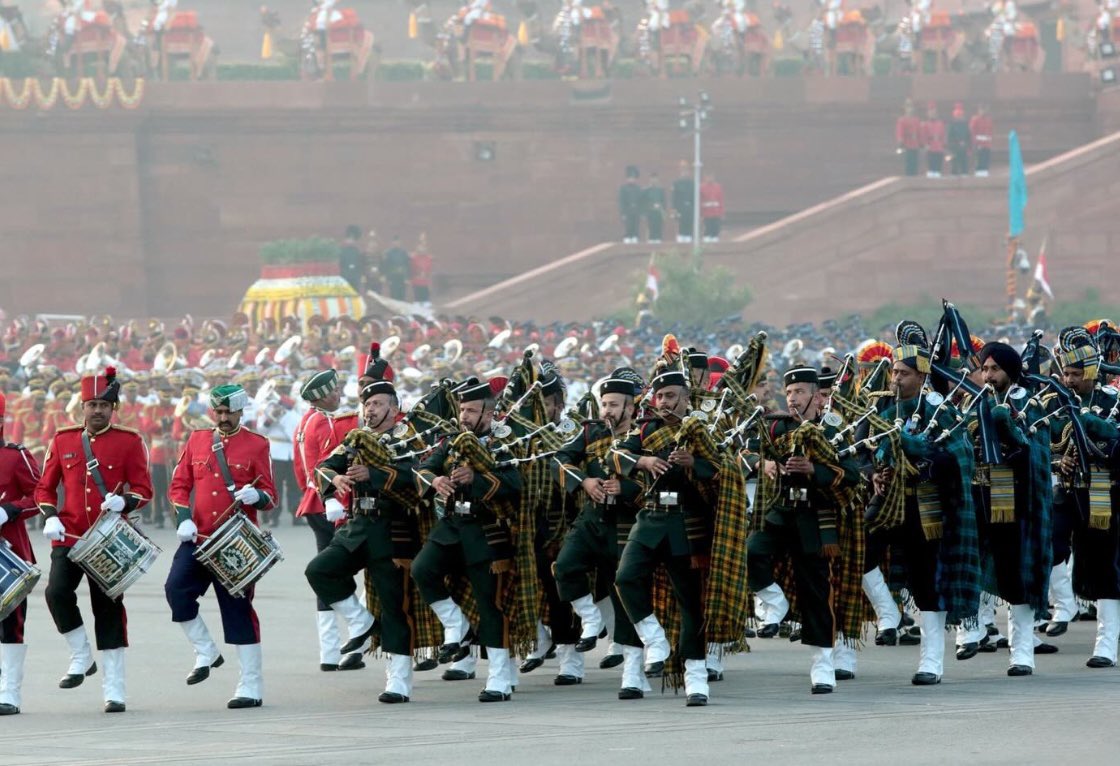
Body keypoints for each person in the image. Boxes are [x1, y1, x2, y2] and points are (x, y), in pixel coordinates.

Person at [863, 323, 981, 685]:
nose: (895, 378)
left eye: (903, 373)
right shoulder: (884, 409)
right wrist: (876, 472)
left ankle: (931, 663)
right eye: (894, 371)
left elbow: (960, 459)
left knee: (926, 582)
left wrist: (923, 452)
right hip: (890, 501)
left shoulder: (939, 410)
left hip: (927, 508)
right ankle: (888, 613)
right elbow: (865, 453)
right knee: (860, 548)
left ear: (921, 375)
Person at [35, 367, 153, 714]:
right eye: (92, 404)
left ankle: (114, 690)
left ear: (113, 408)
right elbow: (44, 486)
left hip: (108, 539)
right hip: (69, 534)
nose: (97, 410)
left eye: (104, 404)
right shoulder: (63, 440)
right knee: (56, 593)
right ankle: (80, 655)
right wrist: (50, 515)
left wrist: (125, 502)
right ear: (82, 407)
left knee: (108, 610)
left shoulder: (129, 441)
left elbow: (145, 490)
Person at [306, 375, 429, 703]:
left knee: (394, 606)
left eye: (377, 403)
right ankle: (361, 622)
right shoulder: (356, 437)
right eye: (367, 404)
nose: (370, 409)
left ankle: (398, 680)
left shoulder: (409, 436)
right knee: (319, 570)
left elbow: (418, 474)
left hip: (394, 529)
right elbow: (322, 468)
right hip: (359, 524)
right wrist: (338, 477)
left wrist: (373, 475)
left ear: (393, 406)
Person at [746, 367, 861, 694]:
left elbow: (851, 474)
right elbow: (746, 448)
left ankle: (823, 664)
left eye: (799, 391)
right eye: (790, 391)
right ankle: (775, 602)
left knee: (816, 592)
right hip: (782, 511)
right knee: (751, 552)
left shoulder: (833, 428)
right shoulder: (778, 425)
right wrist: (762, 463)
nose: (793, 397)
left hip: (816, 517)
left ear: (815, 394)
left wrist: (814, 469)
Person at [410, 379, 523, 702]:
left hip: (488, 530)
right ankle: (456, 624)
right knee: (422, 569)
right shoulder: (452, 440)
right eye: (461, 409)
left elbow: (515, 483)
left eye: (471, 410)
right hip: (451, 526)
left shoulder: (505, 440)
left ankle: (500, 678)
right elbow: (422, 470)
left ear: (489, 411)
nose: (464, 415)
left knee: (491, 605)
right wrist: (438, 480)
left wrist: (478, 478)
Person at [166, 384, 277, 709]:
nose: (224, 418)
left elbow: (271, 495)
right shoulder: (198, 439)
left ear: (242, 412)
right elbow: (179, 484)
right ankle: (205, 650)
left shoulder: (257, 444)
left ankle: (250, 685)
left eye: (230, 412)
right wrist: (183, 518)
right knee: (175, 590)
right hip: (198, 536)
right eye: (220, 412)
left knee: (238, 609)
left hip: (236, 542)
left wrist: (258, 496)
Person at [612, 368, 714, 706]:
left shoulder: (702, 429)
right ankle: (654, 638)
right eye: (660, 397)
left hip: (687, 525)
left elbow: (723, 469)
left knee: (690, 604)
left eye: (671, 396)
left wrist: (693, 463)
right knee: (625, 578)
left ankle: (696, 678)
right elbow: (614, 455)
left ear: (686, 399)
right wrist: (642, 460)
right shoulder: (646, 430)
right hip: (651, 519)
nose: (664, 402)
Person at [554, 368, 654, 698]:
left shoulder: (646, 435)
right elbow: (560, 460)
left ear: (631, 406)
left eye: (614, 404)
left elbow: (657, 481)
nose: (607, 411)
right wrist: (584, 481)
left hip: (629, 524)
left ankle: (632, 673)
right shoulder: (590, 432)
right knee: (565, 566)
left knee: (626, 598)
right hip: (591, 519)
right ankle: (590, 618)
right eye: (604, 403)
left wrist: (624, 487)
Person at [969, 342, 1052, 676]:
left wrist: (1013, 433)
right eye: (984, 369)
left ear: (1010, 371)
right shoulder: (973, 402)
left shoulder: (1032, 403)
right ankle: (970, 632)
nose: (988, 375)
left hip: (1017, 503)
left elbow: (1041, 453)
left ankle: (1022, 653)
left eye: (995, 369)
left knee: (1016, 577)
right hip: (980, 496)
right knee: (970, 563)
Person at [1051, 328, 1120, 668]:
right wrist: (1057, 460)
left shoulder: (1112, 401)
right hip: (1067, 491)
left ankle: (1105, 645)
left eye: (1075, 374)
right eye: (1065, 373)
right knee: (1049, 544)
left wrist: (1102, 434)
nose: (1068, 379)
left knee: (1107, 568)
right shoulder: (1056, 404)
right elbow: (1040, 443)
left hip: (1105, 495)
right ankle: (1063, 605)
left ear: (1091, 373)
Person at [293, 368, 363, 672]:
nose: (339, 395)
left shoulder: (306, 421)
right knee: (340, 570)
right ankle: (359, 636)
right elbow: (321, 468)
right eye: (334, 392)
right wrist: (331, 498)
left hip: (314, 503)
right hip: (330, 504)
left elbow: (301, 472)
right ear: (322, 397)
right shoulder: (323, 423)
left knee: (328, 570)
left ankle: (331, 651)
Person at [0, 391, 42, 716]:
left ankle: (10, 694)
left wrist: (10, 509)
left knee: (11, 625)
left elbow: (41, 495)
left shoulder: (16, 456)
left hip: (10, 558)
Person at [671, 160, 695, 244]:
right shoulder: (676, 183)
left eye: (686, 169)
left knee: (688, 227)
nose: (685, 172)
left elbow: (694, 198)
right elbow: (674, 198)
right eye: (683, 169)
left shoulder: (692, 183)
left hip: (690, 208)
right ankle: (680, 242)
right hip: (680, 208)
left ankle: (689, 241)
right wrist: (674, 210)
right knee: (681, 227)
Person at [338, 225, 366, 295]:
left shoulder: (357, 251)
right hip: (345, 276)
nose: (351, 241)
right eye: (349, 239)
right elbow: (341, 264)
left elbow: (360, 264)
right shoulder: (342, 251)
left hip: (355, 277)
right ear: (346, 240)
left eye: (352, 239)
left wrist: (359, 275)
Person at [382, 236, 412, 302]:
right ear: (392, 243)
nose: (396, 244)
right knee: (393, 295)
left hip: (402, 277)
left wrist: (407, 278)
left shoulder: (404, 253)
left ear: (400, 243)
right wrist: (388, 278)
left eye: (398, 242)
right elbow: (386, 266)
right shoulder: (389, 253)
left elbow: (407, 265)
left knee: (402, 295)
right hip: (393, 277)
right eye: (395, 242)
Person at [619, 165, 643, 244]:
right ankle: (627, 240)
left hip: (636, 211)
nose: (632, 179)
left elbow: (641, 201)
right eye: (630, 177)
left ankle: (635, 239)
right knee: (628, 227)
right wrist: (623, 213)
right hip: (627, 211)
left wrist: (641, 212)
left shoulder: (638, 189)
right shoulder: (623, 189)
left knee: (635, 227)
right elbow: (621, 202)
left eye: (633, 178)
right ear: (627, 178)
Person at [921, 102, 946, 178]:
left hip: (939, 147)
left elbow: (943, 135)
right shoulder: (925, 124)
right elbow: (923, 136)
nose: (932, 114)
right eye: (931, 112)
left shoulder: (940, 123)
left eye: (934, 112)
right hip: (930, 147)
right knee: (931, 167)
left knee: (938, 166)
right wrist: (926, 145)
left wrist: (943, 145)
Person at [947, 102, 971, 177]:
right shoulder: (952, 124)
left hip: (964, 147)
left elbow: (968, 136)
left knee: (964, 161)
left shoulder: (965, 124)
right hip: (955, 147)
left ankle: (965, 173)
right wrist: (956, 143)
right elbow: (950, 136)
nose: (959, 116)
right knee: (954, 161)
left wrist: (966, 144)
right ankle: (954, 173)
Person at [700, 172, 725, 243]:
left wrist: (721, 212)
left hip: (716, 212)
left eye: (711, 176)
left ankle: (715, 243)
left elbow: (721, 200)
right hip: (706, 213)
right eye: (708, 177)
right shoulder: (701, 187)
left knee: (715, 229)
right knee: (707, 229)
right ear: (705, 177)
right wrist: (701, 213)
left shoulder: (718, 186)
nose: (709, 178)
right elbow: (700, 200)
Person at [410, 233, 434, 307]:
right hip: (417, 281)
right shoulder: (414, 258)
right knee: (417, 297)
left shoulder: (428, 258)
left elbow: (430, 270)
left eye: (423, 248)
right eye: (420, 248)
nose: (422, 250)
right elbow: (412, 269)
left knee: (425, 297)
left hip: (425, 281)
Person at [970, 104, 993, 177]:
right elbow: (972, 132)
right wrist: (976, 143)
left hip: (987, 144)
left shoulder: (988, 120)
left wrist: (989, 140)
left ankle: (985, 173)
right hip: (979, 144)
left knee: (986, 160)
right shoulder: (975, 120)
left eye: (984, 110)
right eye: (981, 110)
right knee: (979, 161)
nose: (983, 111)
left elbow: (990, 131)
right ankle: (979, 174)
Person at [642, 172, 666, 244]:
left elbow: (664, 201)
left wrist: (663, 210)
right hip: (650, 212)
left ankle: (658, 240)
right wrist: (644, 212)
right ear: (650, 180)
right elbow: (644, 202)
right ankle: (651, 240)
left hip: (658, 212)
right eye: (652, 179)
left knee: (658, 227)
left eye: (655, 179)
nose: (654, 180)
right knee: (651, 227)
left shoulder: (660, 190)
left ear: (657, 180)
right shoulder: (646, 190)